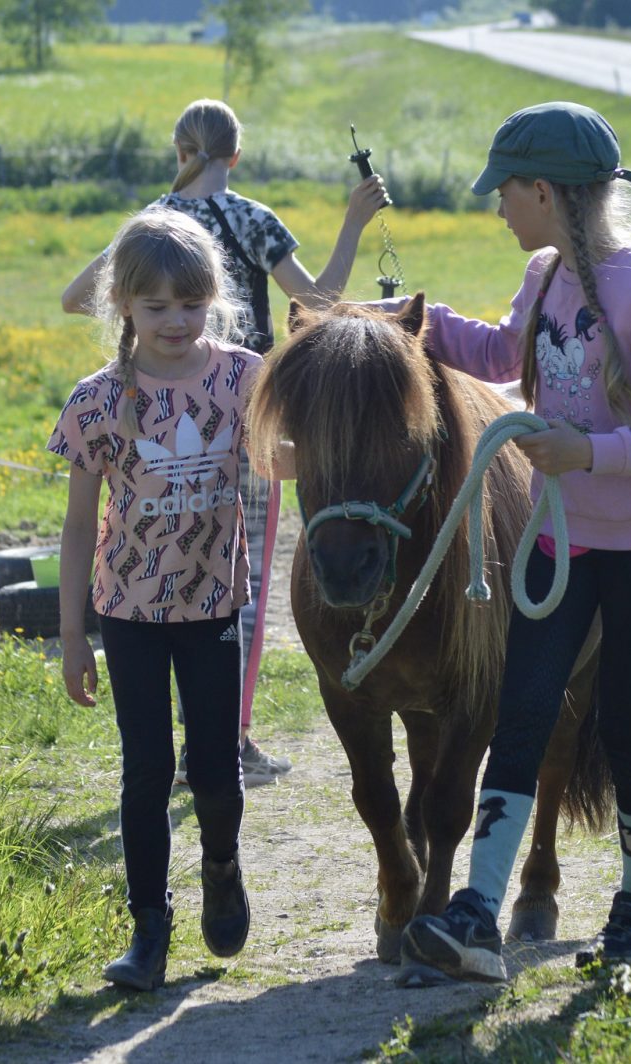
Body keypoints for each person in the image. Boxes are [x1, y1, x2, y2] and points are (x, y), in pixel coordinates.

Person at [389, 102, 631, 983]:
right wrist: (414, 323)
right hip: (556, 536)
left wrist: (590, 452)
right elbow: (501, 353)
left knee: (622, 720)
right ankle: (476, 914)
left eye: (506, 190)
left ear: (544, 190)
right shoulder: (544, 276)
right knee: (523, 712)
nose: (497, 206)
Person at [63, 98, 390, 786]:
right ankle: (227, 739)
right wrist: (354, 223)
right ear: (233, 156)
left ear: (179, 150)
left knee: (160, 562)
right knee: (236, 578)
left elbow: (75, 296)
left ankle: (185, 739)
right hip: (247, 411)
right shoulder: (250, 219)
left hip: (147, 409)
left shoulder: (151, 225)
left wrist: (139, 302)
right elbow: (318, 301)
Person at [50, 208, 264, 991]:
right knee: (146, 771)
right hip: (129, 615)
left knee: (213, 769)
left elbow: (286, 463)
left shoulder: (243, 376)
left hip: (212, 607)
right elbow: (77, 530)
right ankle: (148, 928)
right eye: (157, 306)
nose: (177, 321)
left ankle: (221, 866)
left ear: (213, 300)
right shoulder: (99, 401)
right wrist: (74, 636)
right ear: (123, 307)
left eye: (192, 304)